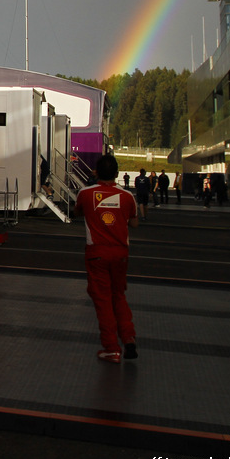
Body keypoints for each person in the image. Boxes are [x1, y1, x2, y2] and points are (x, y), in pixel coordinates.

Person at [74, 153, 138, 363]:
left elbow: (77, 212)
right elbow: (134, 223)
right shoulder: (128, 196)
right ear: (118, 173)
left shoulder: (86, 193)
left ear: (96, 172)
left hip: (97, 253)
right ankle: (128, 337)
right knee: (118, 295)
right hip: (121, 253)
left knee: (102, 300)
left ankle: (111, 347)